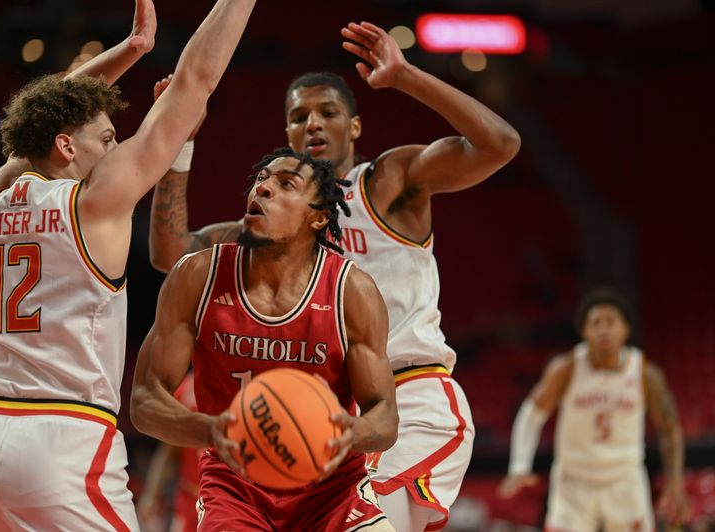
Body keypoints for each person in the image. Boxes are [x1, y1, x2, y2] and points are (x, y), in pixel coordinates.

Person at [148, 20, 521, 531]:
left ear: (355, 126)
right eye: (299, 116)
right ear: (286, 133)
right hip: (324, 405)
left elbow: (500, 144)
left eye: (328, 112)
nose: (313, 125)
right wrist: (179, 145)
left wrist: (407, 77)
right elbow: (171, 253)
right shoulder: (270, 226)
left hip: (407, 396)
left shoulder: (388, 183)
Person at [0, 0, 258, 529]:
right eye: (105, 139)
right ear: (66, 146)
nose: (114, 150)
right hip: (64, 439)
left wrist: (131, 50)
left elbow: (42, 121)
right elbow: (195, 80)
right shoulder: (94, 202)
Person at [130, 147, 399, 531]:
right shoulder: (197, 276)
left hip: (332, 491)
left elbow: (385, 417)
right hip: (235, 489)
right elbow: (143, 400)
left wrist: (351, 432)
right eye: (261, 179)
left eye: (286, 183)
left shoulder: (351, 291)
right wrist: (213, 431)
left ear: (319, 217)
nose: (264, 188)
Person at [498, 288, 691, 530]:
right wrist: (519, 466)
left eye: (611, 322)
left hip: (624, 479)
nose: (603, 329)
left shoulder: (645, 373)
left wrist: (675, 481)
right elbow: (531, 413)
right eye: (595, 323)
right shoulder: (566, 368)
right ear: (585, 332)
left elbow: (670, 429)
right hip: (574, 480)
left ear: (625, 329)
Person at [137, 375, 202, 532]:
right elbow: (169, 450)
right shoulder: (185, 390)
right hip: (188, 499)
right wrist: (151, 493)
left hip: (223, 499)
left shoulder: (238, 388)